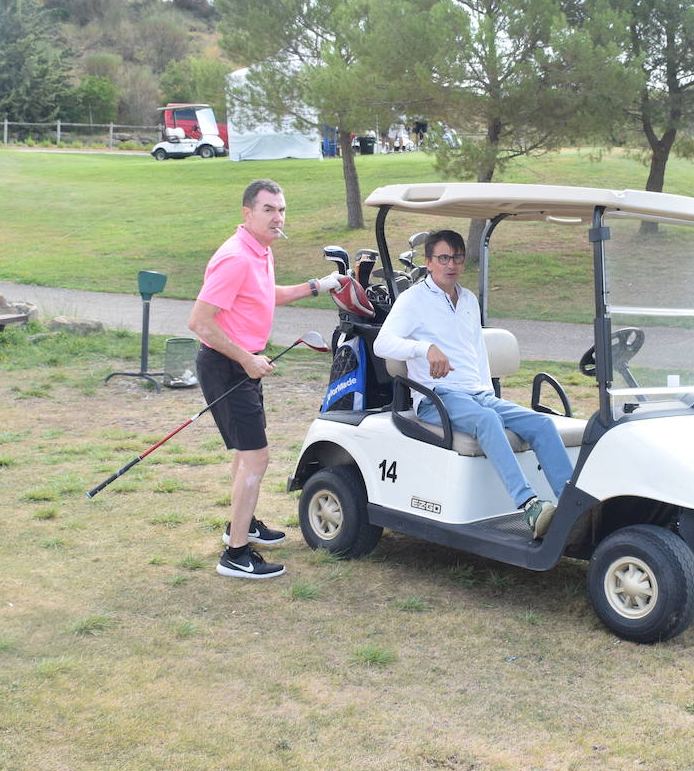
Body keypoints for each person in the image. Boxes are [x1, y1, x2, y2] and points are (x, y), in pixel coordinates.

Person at [188, 179, 342, 579]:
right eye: (269, 209)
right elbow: (200, 322)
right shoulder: (236, 257)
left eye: (282, 209)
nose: (278, 217)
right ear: (247, 213)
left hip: (241, 364)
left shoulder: (260, 251)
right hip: (226, 366)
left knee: (245, 453)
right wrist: (246, 359)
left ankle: (242, 523)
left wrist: (318, 286)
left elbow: (263, 295)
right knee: (257, 457)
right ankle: (236, 554)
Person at [374, 230, 573, 539]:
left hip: (478, 395)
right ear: (428, 262)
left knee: (541, 425)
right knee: (487, 420)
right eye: (442, 258)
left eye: (456, 258)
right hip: (436, 398)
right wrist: (423, 349)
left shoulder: (468, 300)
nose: (450, 265)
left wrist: (487, 393)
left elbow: (476, 352)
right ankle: (529, 505)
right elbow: (382, 344)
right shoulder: (413, 300)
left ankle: (572, 507)